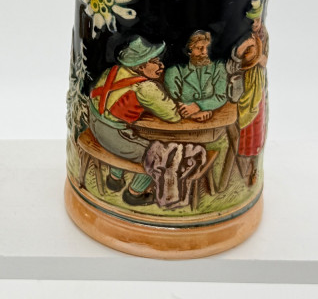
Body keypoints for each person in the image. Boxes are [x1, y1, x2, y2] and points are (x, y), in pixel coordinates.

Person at [89, 35, 180, 206]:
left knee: (130, 141)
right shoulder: (145, 87)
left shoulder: (113, 71)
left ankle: (114, 179)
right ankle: (134, 194)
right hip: (112, 134)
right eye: (155, 61)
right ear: (140, 66)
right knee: (159, 156)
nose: (161, 65)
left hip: (94, 125)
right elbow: (172, 115)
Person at [165, 31, 230, 185]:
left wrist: (199, 106)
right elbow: (174, 100)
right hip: (180, 127)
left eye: (206, 48)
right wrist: (192, 114)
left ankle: (215, 187)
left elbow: (221, 96)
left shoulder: (218, 68)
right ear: (189, 50)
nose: (204, 52)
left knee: (221, 143)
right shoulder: (175, 71)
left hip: (209, 126)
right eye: (199, 48)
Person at [234, 0, 269, 185]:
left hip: (256, 84)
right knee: (242, 124)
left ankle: (252, 170)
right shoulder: (246, 38)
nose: (255, 24)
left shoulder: (263, 37)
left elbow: (263, 60)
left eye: (257, 21)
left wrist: (258, 58)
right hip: (245, 84)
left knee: (256, 123)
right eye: (252, 21)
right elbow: (237, 58)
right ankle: (242, 167)